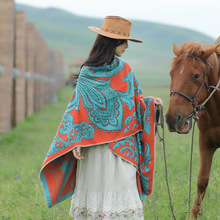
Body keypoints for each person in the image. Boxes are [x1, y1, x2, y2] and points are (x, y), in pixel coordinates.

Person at [40, 16, 163, 220]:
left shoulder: (126, 70)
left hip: (122, 148)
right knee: (97, 192)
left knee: (123, 187)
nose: (126, 46)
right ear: (113, 42)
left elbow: (135, 102)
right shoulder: (88, 72)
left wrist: (151, 104)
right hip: (94, 148)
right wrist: (76, 140)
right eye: (124, 42)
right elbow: (78, 109)